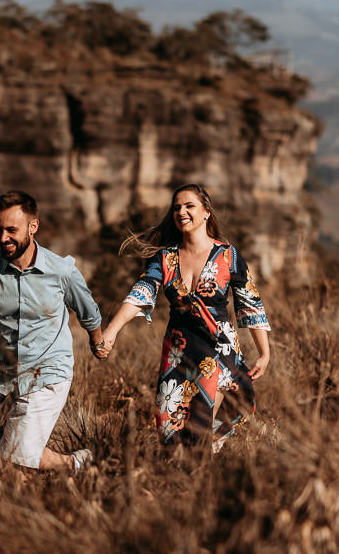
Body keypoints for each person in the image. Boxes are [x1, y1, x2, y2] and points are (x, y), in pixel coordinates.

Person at [98, 183, 271, 451]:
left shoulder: (228, 256)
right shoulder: (165, 258)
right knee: (169, 433)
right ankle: (191, 482)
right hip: (177, 354)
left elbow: (250, 303)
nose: (182, 212)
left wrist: (264, 352)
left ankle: (204, 488)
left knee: (198, 435)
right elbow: (141, 293)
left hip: (218, 353)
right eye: (177, 207)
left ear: (206, 213)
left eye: (189, 206)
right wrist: (112, 330)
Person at [0, 190, 107, 472]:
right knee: (10, 457)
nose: (4, 238)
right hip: (5, 379)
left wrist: (98, 341)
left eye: (12, 230)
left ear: (32, 226)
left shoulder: (60, 270)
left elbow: (88, 309)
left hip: (49, 371)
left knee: (14, 453)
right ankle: (80, 465)